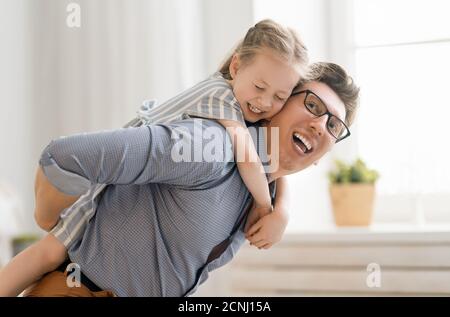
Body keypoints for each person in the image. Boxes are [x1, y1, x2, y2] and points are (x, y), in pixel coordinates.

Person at [0, 19, 310, 297]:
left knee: (49, 252)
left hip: (123, 194)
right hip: (105, 190)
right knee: (48, 253)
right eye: (260, 87)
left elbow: (272, 163)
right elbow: (247, 152)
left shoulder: (246, 115)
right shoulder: (221, 102)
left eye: (279, 98)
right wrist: (264, 205)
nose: (264, 101)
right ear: (236, 67)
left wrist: (282, 209)